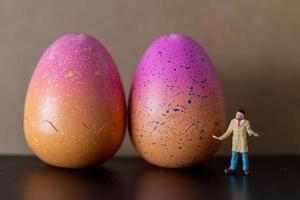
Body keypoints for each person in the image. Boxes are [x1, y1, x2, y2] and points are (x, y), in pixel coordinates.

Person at [212, 109, 259, 176]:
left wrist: (252, 133)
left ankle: (246, 169)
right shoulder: (233, 121)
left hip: (243, 142)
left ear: (243, 115)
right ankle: (232, 169)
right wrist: (221, 137)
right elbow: (228, 132)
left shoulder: (246, 122)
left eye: (240, 114)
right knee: (234, 156)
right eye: (237, 114)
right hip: (235, 142)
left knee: (244, 156)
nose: (238, 116)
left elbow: (248, 129)